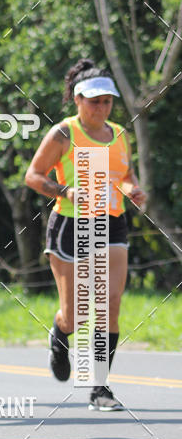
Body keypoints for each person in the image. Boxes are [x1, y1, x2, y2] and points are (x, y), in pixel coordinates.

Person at [25, 58, 146, 410]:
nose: (102, 107)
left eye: (107, 101)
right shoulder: (64, 133)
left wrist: (133, 190)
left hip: (111, 223)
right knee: (76, 314)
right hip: (70, 224)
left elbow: (126, 175)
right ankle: (60, 335)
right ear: (77, 100)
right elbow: (33, 176)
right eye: (94, 101)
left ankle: (99, 387)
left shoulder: (120, 134)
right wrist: (67, 191)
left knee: (109, 304)